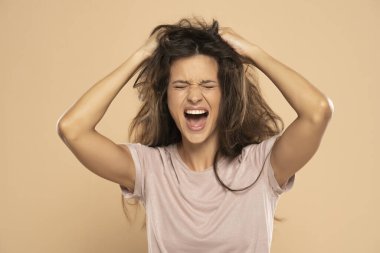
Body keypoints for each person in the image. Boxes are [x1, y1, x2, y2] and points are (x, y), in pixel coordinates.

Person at [57, 18, 333, 253]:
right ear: (166, 98)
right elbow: (73, 128)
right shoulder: (152, 169)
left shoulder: (261, 166)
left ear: (226, 96)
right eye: (180, 85)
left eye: (207, 84)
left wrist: (253, 53)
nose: (193, 96)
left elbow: (317, 111)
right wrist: (141, 56)